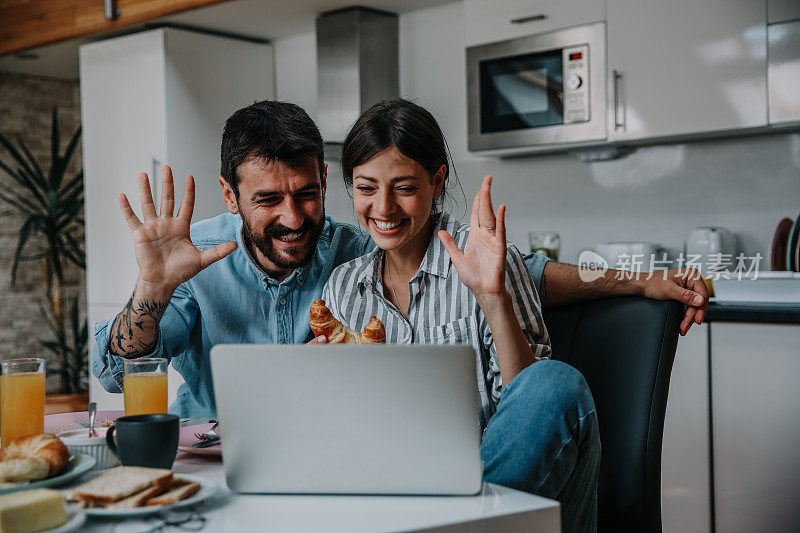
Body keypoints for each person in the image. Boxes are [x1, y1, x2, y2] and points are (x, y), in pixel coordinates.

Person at [93, 99, 708, 418]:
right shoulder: (197, 258)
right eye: (268, 200)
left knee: (550, 384)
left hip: (339, 460)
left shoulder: (351, 250)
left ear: (326, 184)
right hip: (219, 460)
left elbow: (520, 274)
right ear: (230, 196)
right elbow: (119, 374)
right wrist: (151, 286)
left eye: (308, 194)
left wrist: (643, 280)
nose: (293, 216)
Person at [321, 99, 598, 532]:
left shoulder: (485, 256)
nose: (384, 208)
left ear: (437, 180)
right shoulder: (342, 288)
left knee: (554, 383)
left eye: (405, 188)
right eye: (366, 187)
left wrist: (493, 297)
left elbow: (532, 414)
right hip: (398, 496)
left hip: (503, 496)